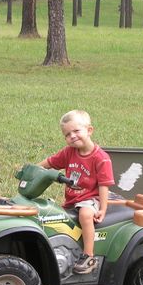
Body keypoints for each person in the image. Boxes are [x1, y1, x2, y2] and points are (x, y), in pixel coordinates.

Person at [38, 110, 114, 274]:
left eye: (76, 131)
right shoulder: (68, 152)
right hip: (72, 200)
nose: (72, 136)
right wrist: (35, 168)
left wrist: (102, 209)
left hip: (91, 198)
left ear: (89, 130)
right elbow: (51, 162)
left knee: (85, 215)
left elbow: (104, 185)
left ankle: (89, 256)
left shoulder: (101, 158)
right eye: (67, 134)